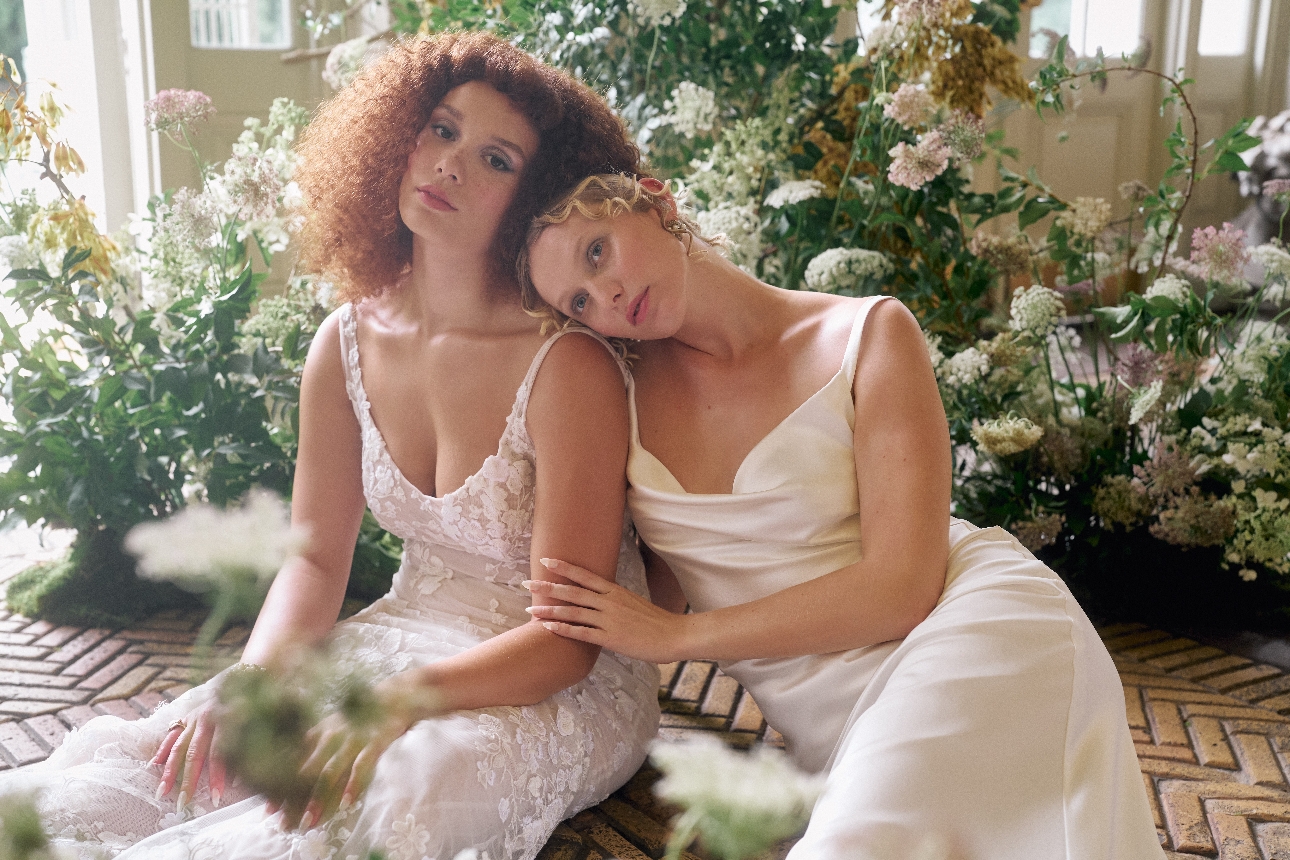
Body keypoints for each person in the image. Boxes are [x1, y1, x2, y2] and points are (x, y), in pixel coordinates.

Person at [0, 37, 660, 860]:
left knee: (367, 803)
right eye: (442, 130)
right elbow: (314, 564)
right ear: (399, 135)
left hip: (547, 681)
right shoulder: (345, 341)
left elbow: (567, 641)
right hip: (400, 636)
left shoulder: (567, 367)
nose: (450, 165)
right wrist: (254, 679)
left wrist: (398, 702)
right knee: (174, 761)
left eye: (495, 157)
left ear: (539, 196)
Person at [515, 174, 1166, 859]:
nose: (608, 298)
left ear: (656, 202)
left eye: (597, 252)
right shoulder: (615, 393)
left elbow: (902, 591)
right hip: (835, 725)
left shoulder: (869, 335)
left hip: (975, 633)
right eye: (580, 302)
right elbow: (654, 580)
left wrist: (677, 639)